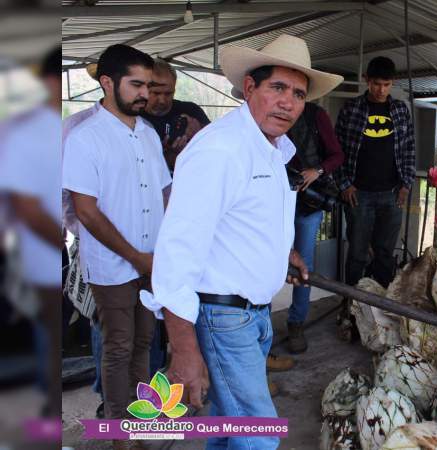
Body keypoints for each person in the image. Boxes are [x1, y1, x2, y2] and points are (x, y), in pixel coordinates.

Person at [140, 34, 342, 450]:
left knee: (226, 430)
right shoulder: (221, 150)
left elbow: (246, 218)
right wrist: (183, 349)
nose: (288, 102)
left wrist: (281, 254)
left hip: (252, 317)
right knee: (260, 435)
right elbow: (177, 252)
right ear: (250, 88)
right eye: (278, 88)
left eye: (298, 94)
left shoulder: (273, 148)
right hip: (222, 317)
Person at [62, 44, 171, 446]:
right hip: (113, 264)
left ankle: (139, 422)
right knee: (119, 346)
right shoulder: (84, 137)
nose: (146, 94)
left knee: (145, 341)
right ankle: (118, 432)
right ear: (107, 83)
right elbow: (85, 212)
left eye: (149, 85)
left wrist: (171, 247)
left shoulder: (147, 133)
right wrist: (136, 257)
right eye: (137, 84)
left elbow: (165, 192)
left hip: (151, 259)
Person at [0, 47, 63, 419]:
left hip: (50, 258)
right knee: (48, 349)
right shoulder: (28, 132)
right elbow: (27, 206)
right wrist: (62, 245)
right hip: (40, 261)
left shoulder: (54, 128)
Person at [336, 56, 416, 288]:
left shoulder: (401, 110)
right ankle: (350, 306)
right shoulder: (351, 109)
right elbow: (336, 150)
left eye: (387, 84)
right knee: (357, 254)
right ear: (366, 81)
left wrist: (406, 184)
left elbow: (410, 148)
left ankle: (381, 311)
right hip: (358, 194)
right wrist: (344, 184)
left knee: (385, 254)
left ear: (393, 83)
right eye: (376, 84)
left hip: (391, 194)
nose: (381, 90)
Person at [284, 101, 344, 354]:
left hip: (308, 200)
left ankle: (296, 322)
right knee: (263, 258)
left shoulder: (316, 115)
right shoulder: (265, 115)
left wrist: (316, 171)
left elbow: (337, 155)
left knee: (304, 263)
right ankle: (260, 326)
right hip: (273, 199)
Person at [140, 58, 210, 173]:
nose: (162, 100)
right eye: (156, 93)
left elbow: (216, 147)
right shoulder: (134, 118)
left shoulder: (191, 111)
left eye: (168, 93)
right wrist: (166, 155)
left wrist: (199, 134)